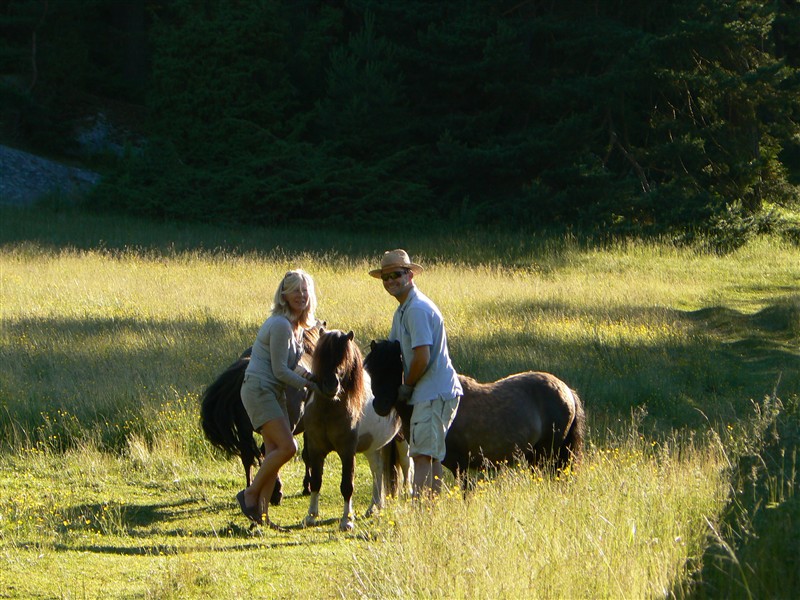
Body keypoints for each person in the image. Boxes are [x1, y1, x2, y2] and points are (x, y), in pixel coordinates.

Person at [369, 249, 462, 498]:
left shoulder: (416, 310)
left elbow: (422, 357)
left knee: (422, 456)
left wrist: (407, 386)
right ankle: (429, 514)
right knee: (428, 455)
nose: (390, 281)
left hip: (432, 392)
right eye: (386, 277)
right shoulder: (402, 311)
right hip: (427, 392)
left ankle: (420, 514)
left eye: (396, 275)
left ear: (409, 275)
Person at [237, 269, 320, 529]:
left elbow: (295, 365)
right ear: (283, 295)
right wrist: (309, 384)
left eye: (305, 290)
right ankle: (250, 495)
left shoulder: (296, 327)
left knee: (275, 450)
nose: (301, 295)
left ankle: (261, 518)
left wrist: (317, 376)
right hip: (260, 389)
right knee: (289, 448)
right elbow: (280, 370)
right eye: (295, 290)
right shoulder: (281, 325)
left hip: (275, 392)